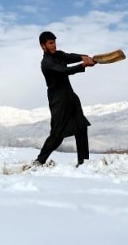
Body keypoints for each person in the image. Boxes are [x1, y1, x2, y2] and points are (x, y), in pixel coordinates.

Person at [34, 31, 95, 168]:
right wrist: (83, 65)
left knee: (81, 127)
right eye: (50, 43)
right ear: (43, 46)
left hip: (71, 97)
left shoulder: (59, 55)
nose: (53, 45)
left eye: (54, 42)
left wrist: (83, 57)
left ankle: (83, 162)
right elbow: (64, 71)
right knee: (57, 134)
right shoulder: (46, 63)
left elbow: (70, 56)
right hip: (58, 101)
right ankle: (40, 160)